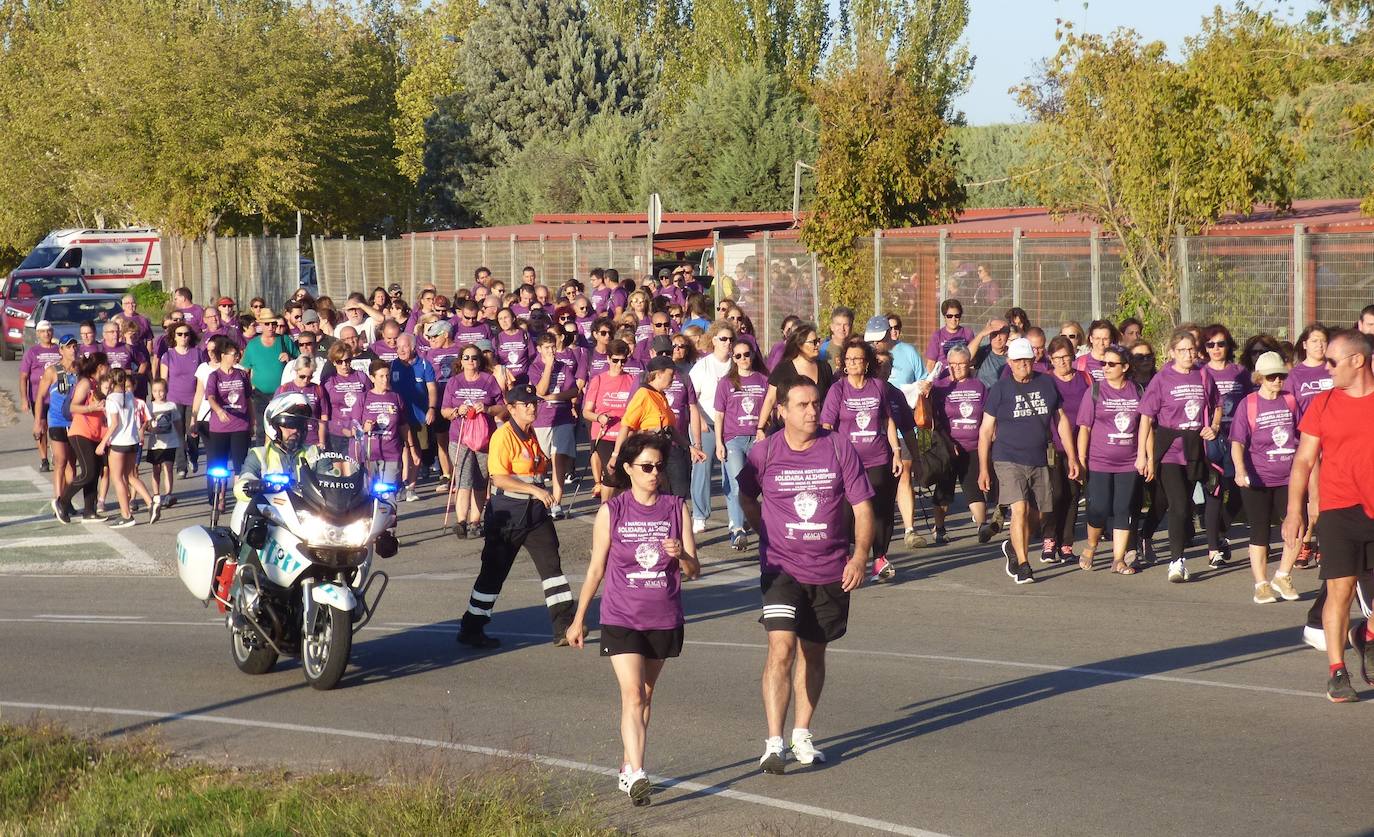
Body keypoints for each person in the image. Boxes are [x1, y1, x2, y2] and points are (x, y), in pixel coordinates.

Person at [738, 376, 875, 773]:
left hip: (830, 568)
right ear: (782, 411)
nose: (813, 411)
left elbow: (863, 507)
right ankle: (773, 742)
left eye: (816, 403)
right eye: (802, 405)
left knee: (813, 653)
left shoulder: (839, 447)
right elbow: (746, 495)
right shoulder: (765, 452)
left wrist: (859, 556)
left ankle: (801, 733)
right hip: (781, 569)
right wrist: (764, 532)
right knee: (781, 647)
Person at [565, 433, 699, 807]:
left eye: (659, 466)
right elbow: (596, 569)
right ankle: (638, 773)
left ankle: (627, 763)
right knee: (633, 693)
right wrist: (578, 618)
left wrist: (681, 556)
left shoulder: (676, 508)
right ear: (628, 468)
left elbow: (694, 569)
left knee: (646, 694)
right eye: (646, 467)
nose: (654, 473)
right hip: (621, 616)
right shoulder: (612, 511)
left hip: (664, 615)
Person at [1282, 329, 1374, 702]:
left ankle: (1365, 635)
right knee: (1340, 590)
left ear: (1358, 360)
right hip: (1338, 509)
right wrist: (1295, 511)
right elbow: (1304, 461)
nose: (1328, 369)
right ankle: (1338, 672)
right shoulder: (1322, 404)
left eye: (1333, 362)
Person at [456, 383, 576, 649]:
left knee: (552, 567)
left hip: (535, 514)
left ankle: (564, 626)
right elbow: (499, 477)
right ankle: (471, 628)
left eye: (535, 403)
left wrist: (549, 487)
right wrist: (535, 490)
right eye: (526, 404)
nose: (532, 408)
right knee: (493, 574)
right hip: (508, 513)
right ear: (511, 408)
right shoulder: (503, 436)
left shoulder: (530, 434)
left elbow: (539, 468)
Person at [977, 337, 1081, 585]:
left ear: (1034, 360)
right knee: (1019, 509)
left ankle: (1013, 546)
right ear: (1009, 362)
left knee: (1038, 515)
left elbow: (1061, 420)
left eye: (1027, 360)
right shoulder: (1000, 389)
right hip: (1007, 457)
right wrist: (983, 468)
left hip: (1039, 458)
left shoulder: (1046, 383)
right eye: (1018, 361)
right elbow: (986, 430)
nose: (1023, 364)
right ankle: (1024, 565)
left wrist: (1072, 456)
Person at [1138, 329, 1221, 583]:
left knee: (1166, 501)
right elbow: (1146, 418)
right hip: (1170, 448)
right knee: (1181, 505)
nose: (1188, 354)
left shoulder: (1203, 374)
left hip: (1195, 448)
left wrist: (1214, 426)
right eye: (1182, 350)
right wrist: (1143, 456)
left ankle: (1145, 534)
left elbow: (1217, 405)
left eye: (1191, 349)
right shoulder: (1162, 378)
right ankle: (1176, 562)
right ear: (1172, 352)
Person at [822, 338, 903, 582]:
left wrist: (896, 452)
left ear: (867, 362)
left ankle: (880, 558)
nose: (853, 363)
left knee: (881, 509)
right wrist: (827, 456)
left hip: (878, 457)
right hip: (848, 461)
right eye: (849, 359)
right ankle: (848, 556)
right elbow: (827, 425)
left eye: (857, 359)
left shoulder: (878, 386)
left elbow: (887, 420)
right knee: (847, 511)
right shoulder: (838, 389)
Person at [1232, 351, 1302, 604]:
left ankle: (1283, 575)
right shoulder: (1249, 404)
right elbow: (1237, 442)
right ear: (1259, 377)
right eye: (1272, 376)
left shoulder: (1290, 401)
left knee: (1297, 527)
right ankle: (1261, 584)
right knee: (1260, 531)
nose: (1277, 381)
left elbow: (1303, 436)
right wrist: (1240, 470)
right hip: (1257, 478)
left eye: (1281, 375)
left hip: (1288, 477)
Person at [1075, 345, 1150, 573]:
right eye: (1103, 363)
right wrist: (1081, 458)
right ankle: (1091, 545)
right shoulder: (1096, 391)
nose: (1105, 368)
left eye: (1111, 364)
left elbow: (1146, 426)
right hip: (1099, 460)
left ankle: (1118, 559)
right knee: (1099, 507)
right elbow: (1085, 428)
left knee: (1123, 508)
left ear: (1125, 367)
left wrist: (1147, 457)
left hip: (1129, 461)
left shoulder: (1138, 390)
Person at [441, 344, 507, 538]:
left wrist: (487, 409)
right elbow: (444, 411)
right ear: (460, 361)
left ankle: (475, 522)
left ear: (480, 361)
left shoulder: (489, 380)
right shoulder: (454, 382)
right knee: (463, 479)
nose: (471, 361)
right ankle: (461, 521)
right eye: (467, 357)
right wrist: (457, 411)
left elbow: (502, 408)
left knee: (480, 480)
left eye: (475, 358)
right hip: (459, 437)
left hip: (484, 438)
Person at [1201, 324, 1248, 568]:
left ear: (1229, 345)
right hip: (1212, 441)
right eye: (1210, 344)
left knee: (1239, 492)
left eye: (1221, 343)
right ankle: (1213, 550)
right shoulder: (1200, 373)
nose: (1216, 348)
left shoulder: (1241, 372)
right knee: (1215, 492)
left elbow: (1252, 403)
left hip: (1239, 439)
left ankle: (1219, 530)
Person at [715, 338, 769, 551]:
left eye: (747, 354)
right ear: (733, 358)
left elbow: (771, 409)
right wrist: (719, 443)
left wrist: (765, 430)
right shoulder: (726, 382)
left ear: (753, 355)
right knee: (738, 483)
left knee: (762, 485)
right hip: (733, 439)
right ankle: (738, 529)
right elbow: (719, 415)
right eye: (738, 356)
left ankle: (763, 525)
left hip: (757, 439)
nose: (743, 358)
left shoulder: (763, 380)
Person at [1042, 335, 1089, 565]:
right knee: (1055, 494)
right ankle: (1049, 540)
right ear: (1050, 359)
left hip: (1079, 446)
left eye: (1066, 356)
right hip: (1052, 446)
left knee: (1072, 495)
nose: (1062, 362)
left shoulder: (1085, 379)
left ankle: (1066, 544)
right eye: (1057, 358)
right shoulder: (1046, 381)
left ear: (1073, 356)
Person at [689, 320, 737, 531]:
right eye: (723, 339)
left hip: (731, 425)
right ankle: (700, 514)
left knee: (732, 471)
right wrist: (699, 421)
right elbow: (692, 399)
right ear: (714, 340)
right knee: (702, 468)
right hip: (706, 422)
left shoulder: (736, 364)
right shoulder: (703, 366)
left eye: (731, 339)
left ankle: (735, 516)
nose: (728, 343)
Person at [52, 353, 110, 524]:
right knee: (88, 472)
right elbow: (73, 407)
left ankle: (89, 511)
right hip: (80, 433)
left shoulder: (99, 383)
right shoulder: (85, 383)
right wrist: (91, 408)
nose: (109, 367)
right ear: (100, 367)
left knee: (95, 473)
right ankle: (62, 502)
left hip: (96, 434)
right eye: (107, 365)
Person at [528, 331, 581, 518]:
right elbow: (540, 391)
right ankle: (541, 500)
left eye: (552, 347)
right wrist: (549, 367)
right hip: (542, 420)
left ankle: (557, 503)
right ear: (539, 349)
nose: (551, 351)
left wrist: (555, 396)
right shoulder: (535, 367)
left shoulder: (563, 367)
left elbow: (574, 391)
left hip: (562, 418)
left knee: (559, 460)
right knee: (540, 462)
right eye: (547, 348)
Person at [99, 368, 157, 528]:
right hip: (133, 440)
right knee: (131, 476)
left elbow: (114, 423)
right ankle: (151, 502)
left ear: (111, 381)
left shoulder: (111, 399)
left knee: (117, 478)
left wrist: (103, 442)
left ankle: (126, 515)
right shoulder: (130, 395)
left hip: (119, 442)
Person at [584, 340, 637, 505]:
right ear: (608, 358)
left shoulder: (632, 380)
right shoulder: (598, 380)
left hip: (625, 433)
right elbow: (586, 412)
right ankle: (606, 507)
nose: (619, 364)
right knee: (612, 472)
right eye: (615, 360)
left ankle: (615, 508)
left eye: (623, 361)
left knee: (623, 475)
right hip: (604, 434)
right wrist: (599, 417)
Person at [201, 339, 255, 493]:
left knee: (240, 466)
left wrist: (252, 422)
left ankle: (239, 496)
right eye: (233, 354)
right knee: (220, 466)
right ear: (223, 355)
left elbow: (248, 399)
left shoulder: (242, 375)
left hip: (240, 426)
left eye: (237, 354)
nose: (236, 357)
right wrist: (219, 410)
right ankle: (220, 495)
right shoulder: (214, 376)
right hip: (219, 428)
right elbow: (210, 397)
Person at [389, 333, 437, 502]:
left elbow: (432, 389)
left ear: (413, 347)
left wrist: (431, 409)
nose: (401, 350)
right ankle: (401, 484)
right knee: (401, 451)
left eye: (405, 346)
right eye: (398, 347)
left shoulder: (424, 365)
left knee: (416, 451)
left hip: (418, 417)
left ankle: (411, 487)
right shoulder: (393, 365)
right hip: (398, 418)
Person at [241, 307, 298, 444]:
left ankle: (282, 454)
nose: (271, 327)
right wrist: (248, 390)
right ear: (260, 324)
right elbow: (244, 370)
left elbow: (301, 363)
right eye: (267, 324)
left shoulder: (285, 340)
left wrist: (290, 359)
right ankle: (262, 455)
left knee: (282, 427)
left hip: (282, 393)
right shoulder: (253, 345)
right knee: (262, 429)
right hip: (259, 394)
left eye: (274, 324)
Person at [33, 336, 80, 502]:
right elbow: (40, 397)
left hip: (75, 422)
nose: (73, 350)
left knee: (72, 464)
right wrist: (38, 422)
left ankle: (67, 500)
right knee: (60, 460)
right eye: (69, 347)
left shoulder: (80, 370)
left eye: (75, 346)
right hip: (57, 421)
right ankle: (58, 499)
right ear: (61, 350)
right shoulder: (52, 371)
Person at [159, 321, 206, 477]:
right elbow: (164, 379)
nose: (183, 337)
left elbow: (203, 375)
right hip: (174, 398)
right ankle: (181, 466)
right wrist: (162, 400)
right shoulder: (168, 356)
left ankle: (193, 456)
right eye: (179, 334)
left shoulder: (197, 353)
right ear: (174, 336)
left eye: (186, 334)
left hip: (194, 398)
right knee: (178, 433)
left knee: (192, 432)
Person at [19, 320, 62, 472]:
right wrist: (24, 399)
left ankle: (57, 454)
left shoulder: (59, 350)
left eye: (48, 331)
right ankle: (44, 459)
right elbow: (23, 377)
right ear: (37, 334)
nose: (46, 334)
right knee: (41, 427)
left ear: (52, 332)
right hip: (39, 398)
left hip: (58, 397)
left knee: (56, 427)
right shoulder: (32, 352)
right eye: (43, 331)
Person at [359, 359, 408, 485]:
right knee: (369, 493)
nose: (385, 380)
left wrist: (410, 448)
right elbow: (353, 427)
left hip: (391, 453)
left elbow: (403, 426)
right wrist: (364, 428)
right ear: (372, 378)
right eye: (381, 376)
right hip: (370, 454)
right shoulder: (363, 398)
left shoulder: (396, 397)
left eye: (387, 375)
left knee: (388, 491)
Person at [143, 378, 182, 509]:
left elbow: (177, 422)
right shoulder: (149, 406)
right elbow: (145, 424)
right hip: (155, 443)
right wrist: (150, 429)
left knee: (168, 468)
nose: (158, 393)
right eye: (155, 391)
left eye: (161, 391)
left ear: (166, 391)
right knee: (156, 469)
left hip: (170, 442)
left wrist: (181, 438)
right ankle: (156, 495)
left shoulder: (171, 406)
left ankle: (168, 494)